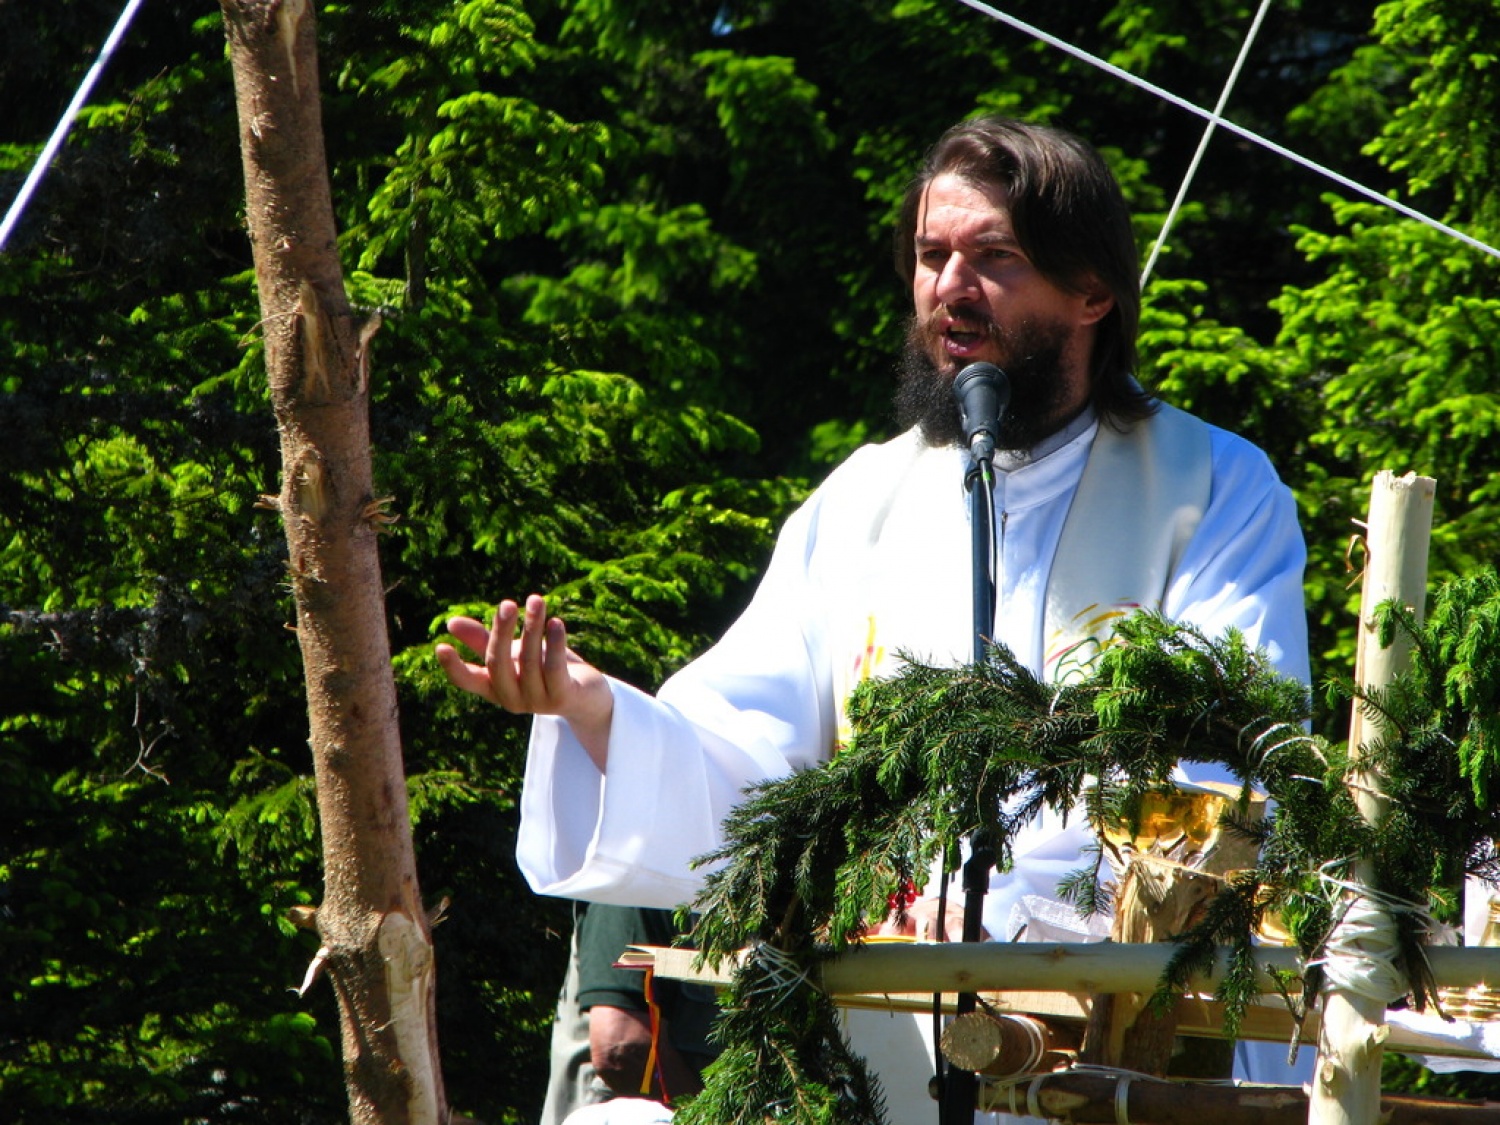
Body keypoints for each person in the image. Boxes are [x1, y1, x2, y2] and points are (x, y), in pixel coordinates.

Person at [440, 115, 1311, 1117]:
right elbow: (744, 755)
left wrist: (1007, 908)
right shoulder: (860, 504)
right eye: (932, 256)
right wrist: (597, 710)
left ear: (1093, 293)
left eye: (995, 258)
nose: (951, 285)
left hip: (1112, 1044)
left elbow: (1224, 770)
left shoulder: (1213, 489)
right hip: (880, 1038)